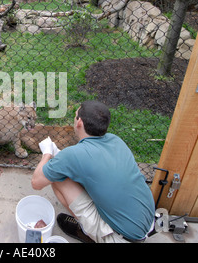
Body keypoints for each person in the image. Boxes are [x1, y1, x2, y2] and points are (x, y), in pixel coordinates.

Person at [32, 100, 155, 243]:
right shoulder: (116, 140)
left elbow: (36, 182)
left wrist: (47, 153)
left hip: (122, 239)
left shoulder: (74, 154)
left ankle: (86, 232)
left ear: (79, 123)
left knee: (58, 180)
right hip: (148, 220)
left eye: (75, 115)